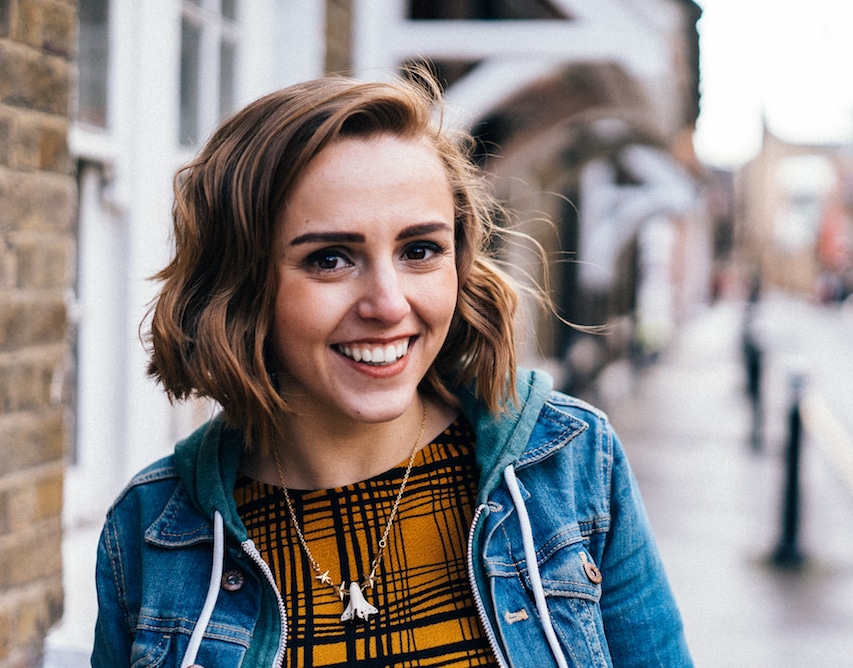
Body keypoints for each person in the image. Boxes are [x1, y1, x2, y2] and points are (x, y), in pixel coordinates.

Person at [91, 69, 694, 668]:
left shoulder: (570, 466)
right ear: (241, 285)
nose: (388, 304)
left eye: (420, 250)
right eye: (330, 259)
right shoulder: (152, 533)